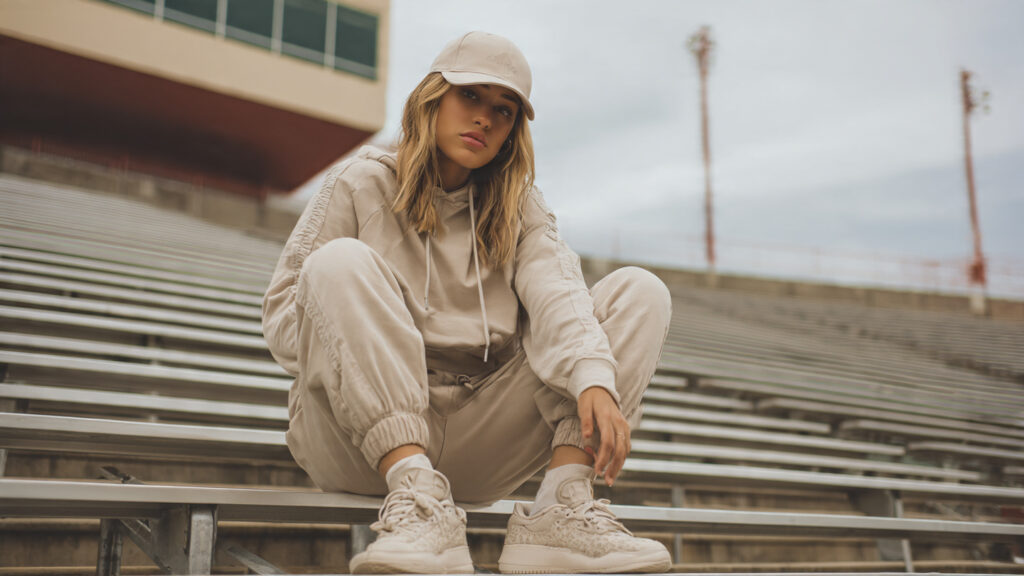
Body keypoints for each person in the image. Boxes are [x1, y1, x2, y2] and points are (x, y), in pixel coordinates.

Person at [262, 31, 673, 574]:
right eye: (470, 97)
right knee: (339, 262)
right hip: (357, 444)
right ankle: (415, 497)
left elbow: (559, 293)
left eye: (503, 111)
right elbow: (285, 324)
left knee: (640, 292)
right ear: (433, 97)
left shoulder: (518, 207)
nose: (484, 118)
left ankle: (561, 506)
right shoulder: (360, 183)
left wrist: (593, 375)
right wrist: (383, 328)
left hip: (479, 438)